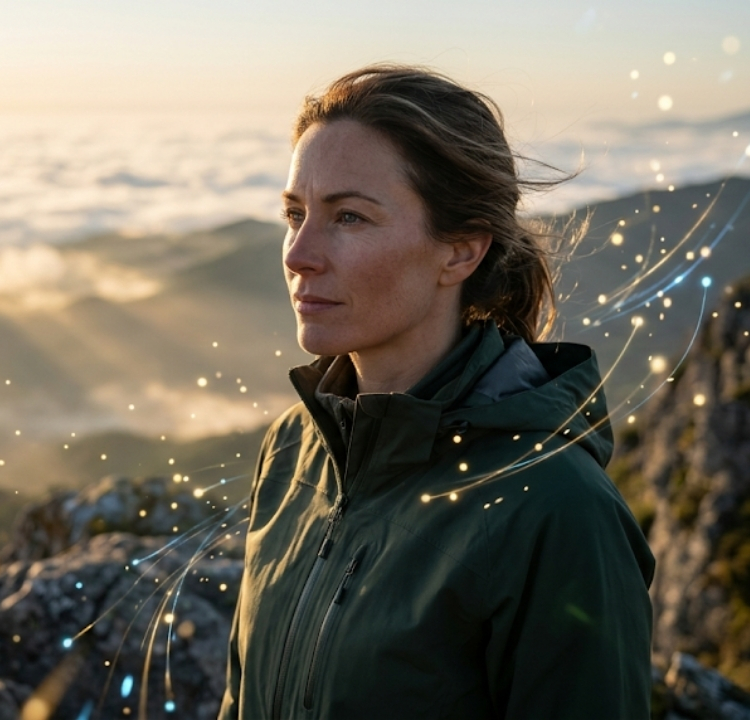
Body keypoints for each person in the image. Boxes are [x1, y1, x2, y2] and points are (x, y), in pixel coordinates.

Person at [218, 65, 655, 719]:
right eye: (295, 214)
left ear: (461, 251)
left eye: (349, 217)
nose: (298, 253)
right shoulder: (293, 448)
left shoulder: (556, 509)